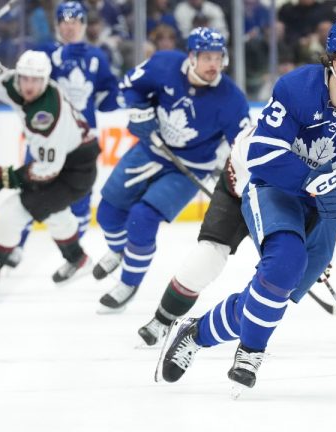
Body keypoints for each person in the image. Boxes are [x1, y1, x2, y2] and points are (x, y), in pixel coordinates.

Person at [155, 18, 336, 392]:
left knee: (272, 295)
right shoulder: (297, 88)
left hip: (330, 209)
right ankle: (251, 352)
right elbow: (262, 153)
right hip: (278, 190)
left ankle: (196, 334)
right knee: (283, 266)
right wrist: (312, 179)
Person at [93, 27, 250, 313]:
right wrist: (139, 110)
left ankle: (128, 283)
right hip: (149, 149)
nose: (214, 64)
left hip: (189, 168)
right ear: (191, 57)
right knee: (107, 213)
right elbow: (129, 86)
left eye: (218, 58)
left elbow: (243, 146)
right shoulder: (163, 64)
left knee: (142, 218)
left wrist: (234, 170)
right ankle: (118, 250)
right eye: (207, 57)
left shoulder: (231, 99)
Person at [136, 126, 332, 347]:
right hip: (238, 195)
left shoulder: (323, 147)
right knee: (208, 256)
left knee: (281, 272)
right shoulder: (259, 140)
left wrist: (310, 249)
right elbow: (254, 188)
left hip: (285, 204)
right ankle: (162, 319)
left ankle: (239, 327)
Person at [0, 32, 100, 293]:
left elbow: (46, 170)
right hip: (67, 159)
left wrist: (4, 177)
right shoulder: (17, 84)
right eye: (25, 78)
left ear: (45, 80)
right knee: (52, 209)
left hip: (76, 170)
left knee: (13, 210)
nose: (28, 85)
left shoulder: (46, 116)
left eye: (36, 80)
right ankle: (79, 260)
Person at [7, 1, 123, 268]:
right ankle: (16, 246)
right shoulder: (43, 54)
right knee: (30, 187)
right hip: (45, 136)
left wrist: (121, 94)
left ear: (83, 25)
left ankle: (73, 255)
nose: (70, 27)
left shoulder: (96, 57)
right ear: (57, 25)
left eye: (75, 22)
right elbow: (26, 88)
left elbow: (106, 98)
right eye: (64, 22)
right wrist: (60, 57)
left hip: (81, 140)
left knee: (80, 196)